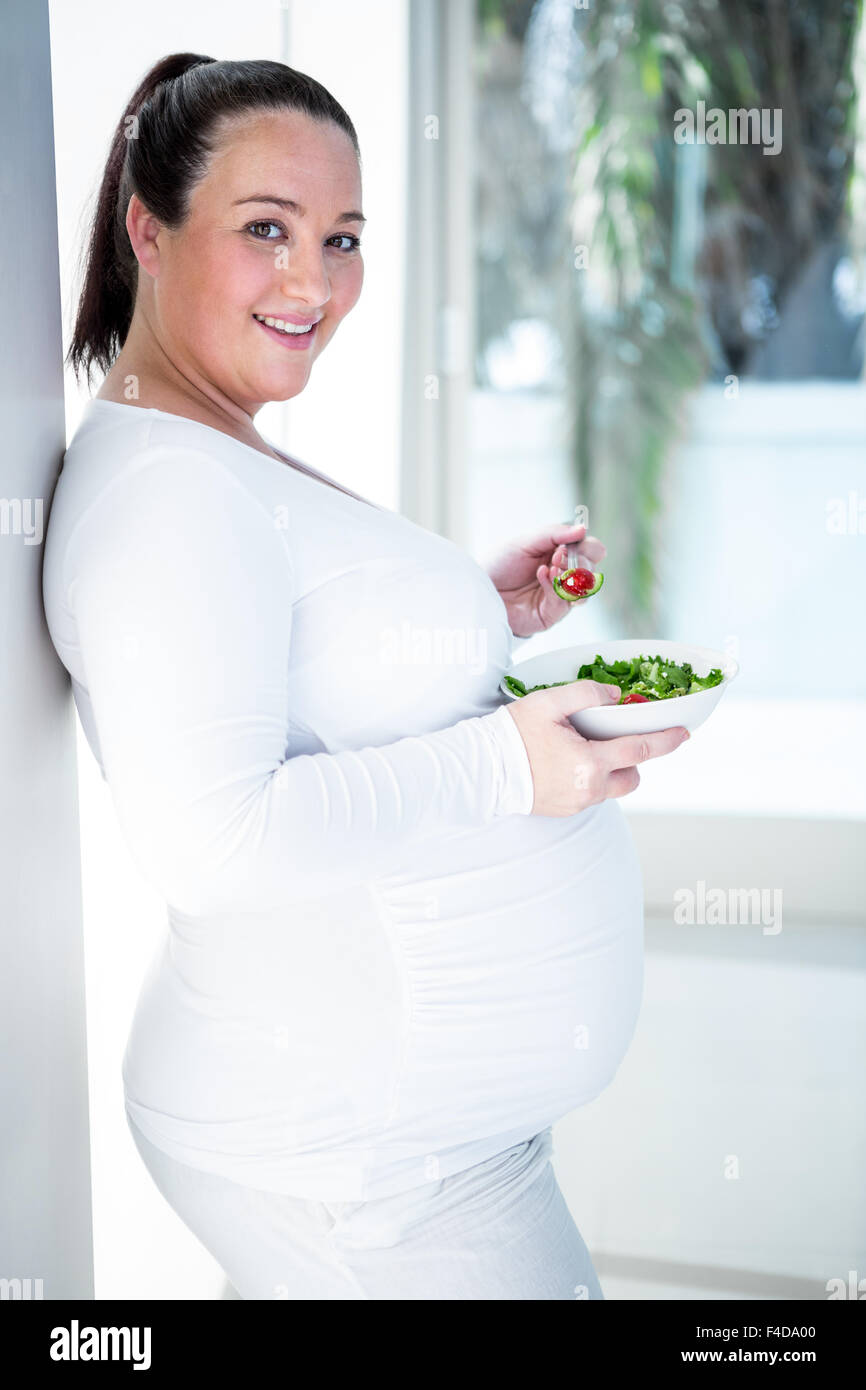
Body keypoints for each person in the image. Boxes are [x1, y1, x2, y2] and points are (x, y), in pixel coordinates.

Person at [42, 53, 690, 1300]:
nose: (313, 281)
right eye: (267, 229)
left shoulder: (207, 444)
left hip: (395, 1153)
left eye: (341, 237)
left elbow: (305, 675)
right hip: (370, 1172)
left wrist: (472, 620)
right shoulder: (166, 489)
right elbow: (214, 839)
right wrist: (508, 759)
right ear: (148, 230)